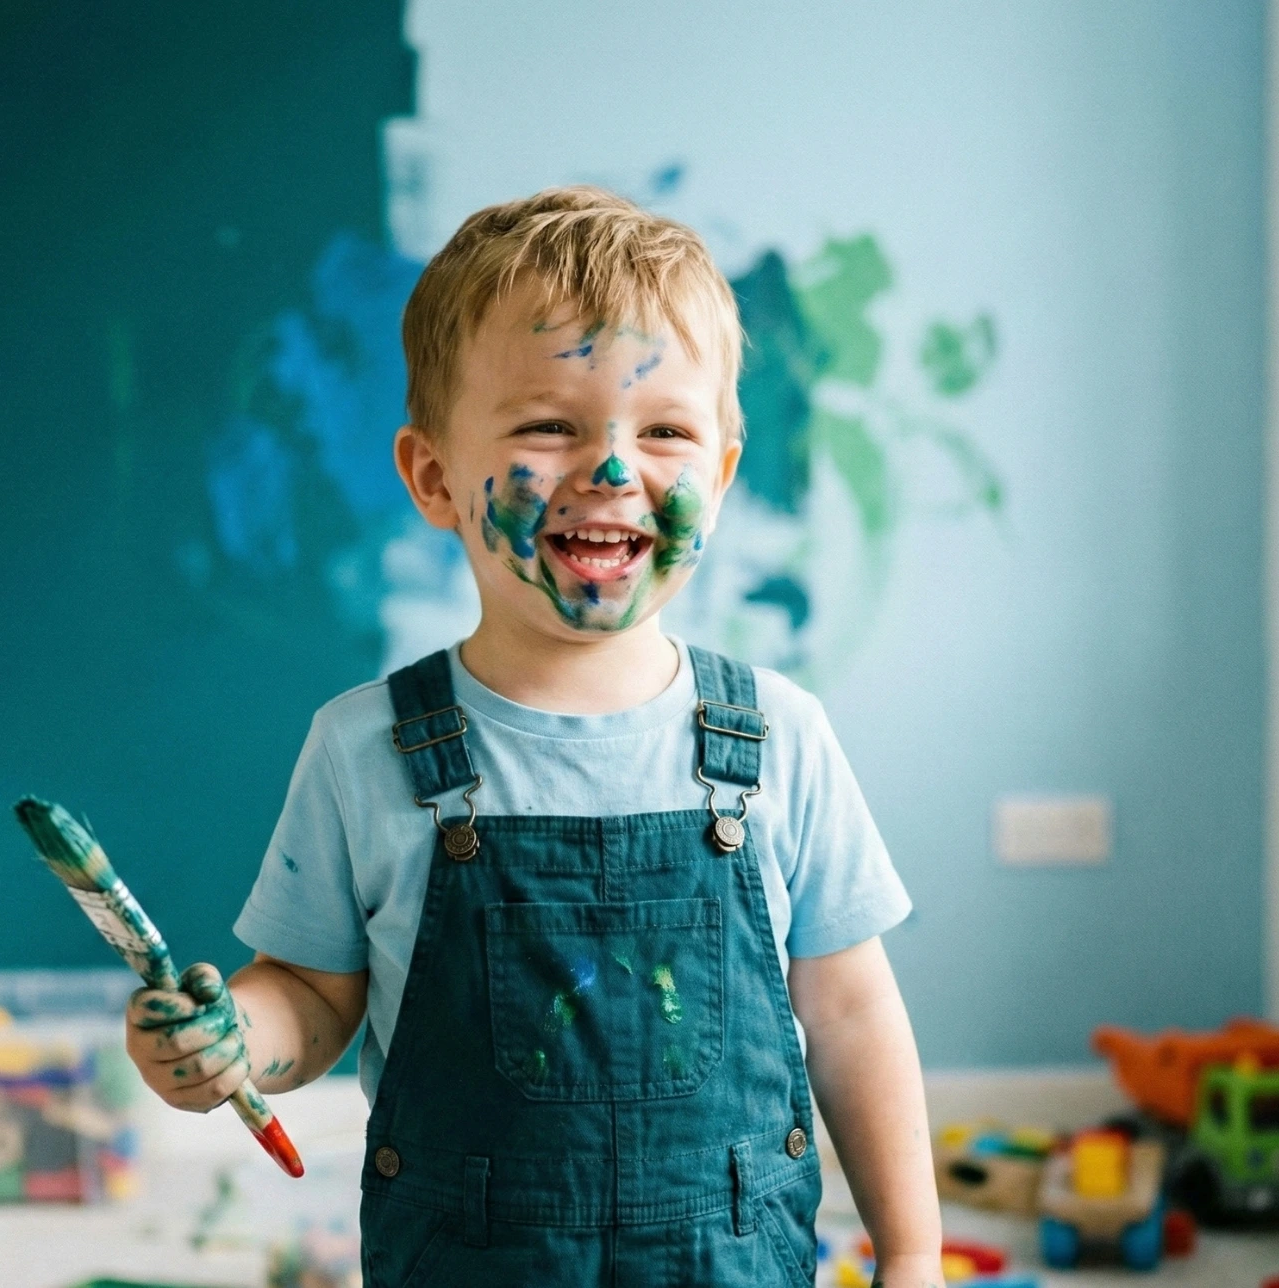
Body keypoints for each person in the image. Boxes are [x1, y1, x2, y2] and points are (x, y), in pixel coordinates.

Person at [126, 186, 945, 1287]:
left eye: (663, 431)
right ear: (433, 477)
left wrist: (912, 1252)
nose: (611, 471)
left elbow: (849, 1012)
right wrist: (234, 1043)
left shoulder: (780, 740)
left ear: (723, 472)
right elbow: (316, 997)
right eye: (548, 426)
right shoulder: (362, 747)